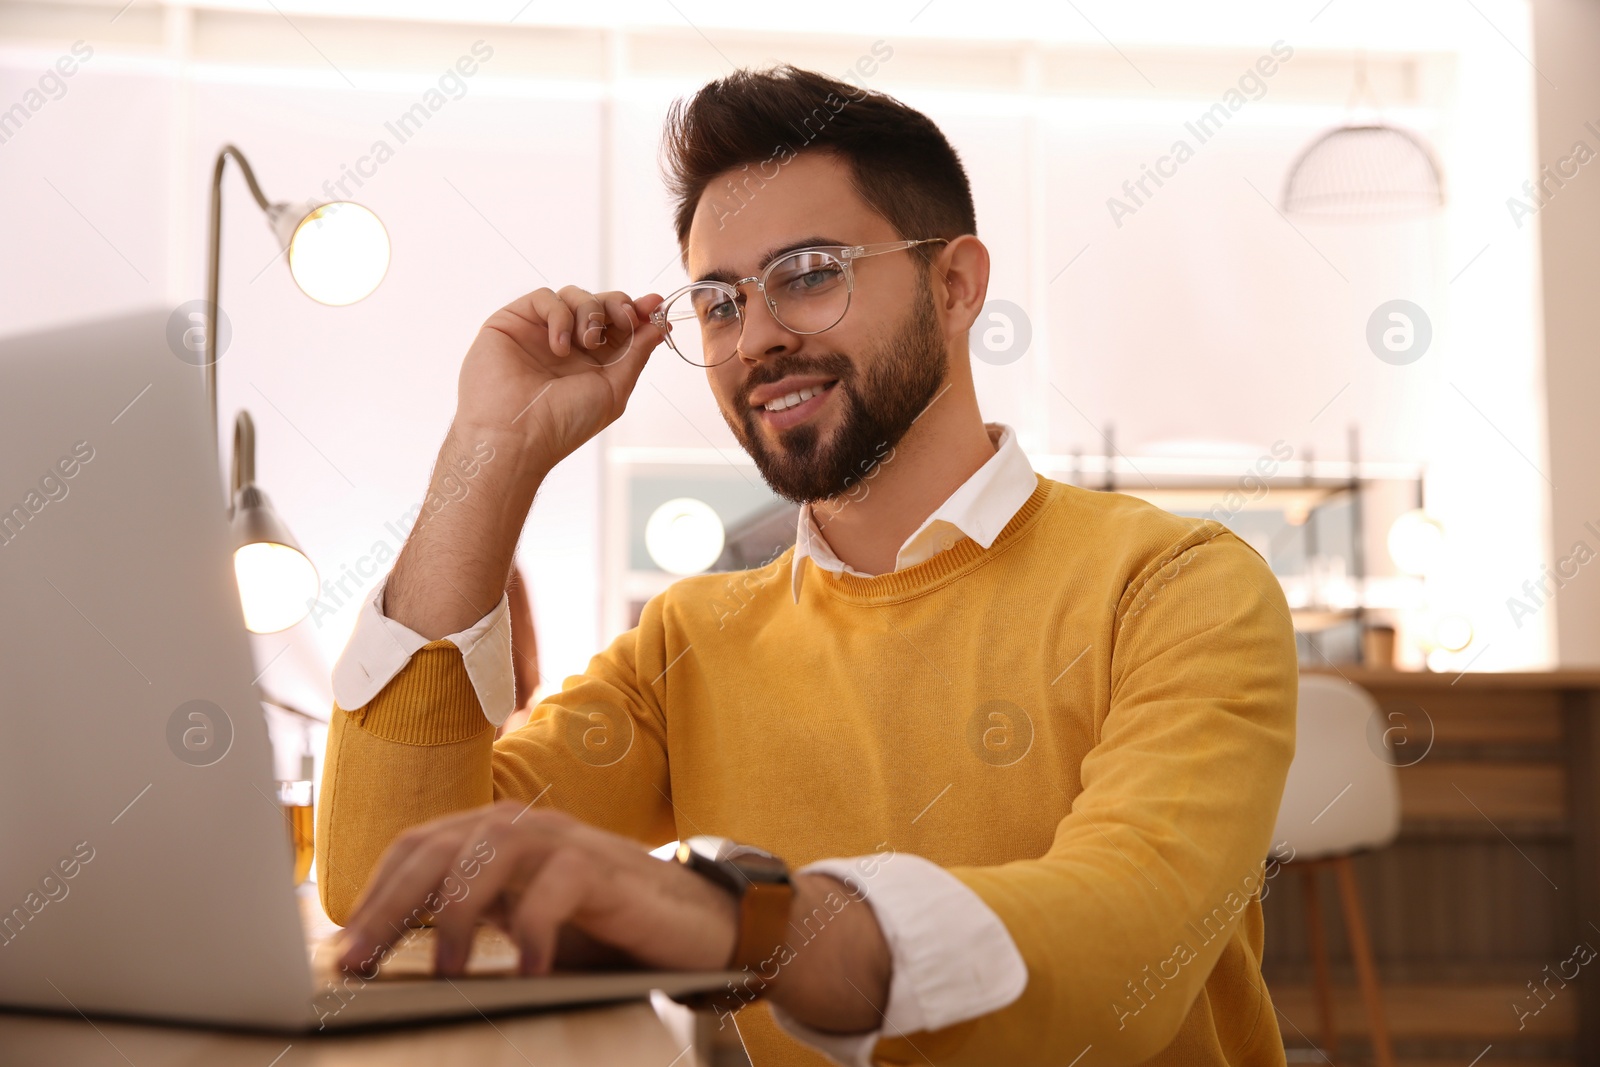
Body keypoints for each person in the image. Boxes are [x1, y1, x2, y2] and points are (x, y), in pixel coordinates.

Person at [318, 64, 1298, 1067]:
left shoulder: (1176, 584)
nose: (758, 337)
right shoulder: (687, 641)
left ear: (954, 285)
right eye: (718, 302)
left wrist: (749, 923)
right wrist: (491, 452)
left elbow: (1126, 946)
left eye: (811, 273)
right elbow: (386, 889)